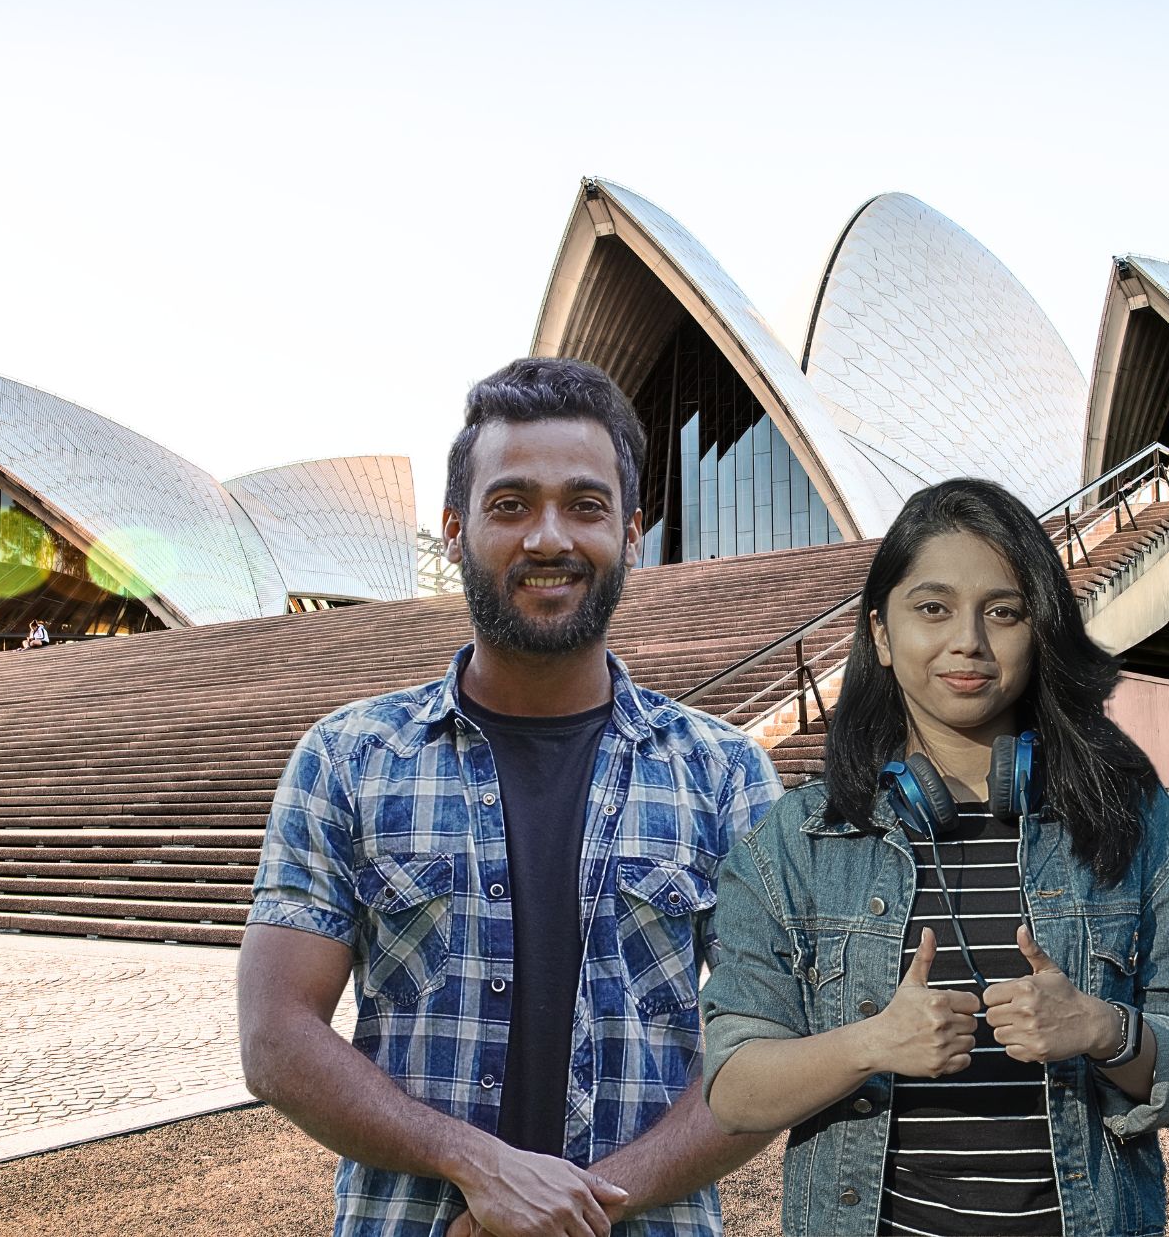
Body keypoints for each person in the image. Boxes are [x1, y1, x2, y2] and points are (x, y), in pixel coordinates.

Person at [236, 357, 782, 1237]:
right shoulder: (349, 760)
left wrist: (576, 1206)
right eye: (511, 504)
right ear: (454, 530)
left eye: (585, 504)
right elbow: (275, 1036)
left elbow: (773, 1044)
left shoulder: (722, 776)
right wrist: (473, 1163)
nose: (548, 537)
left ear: (633, 531)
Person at [701, 478, 1169, 1237]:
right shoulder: (797, 842)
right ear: (881, 635)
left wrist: (1104, 1030)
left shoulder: (1131, 820)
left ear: (1042, 630)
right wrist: (871, 1044)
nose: (969, 642)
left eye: (1004, 611)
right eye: (933, 608)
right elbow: (732, 1089)